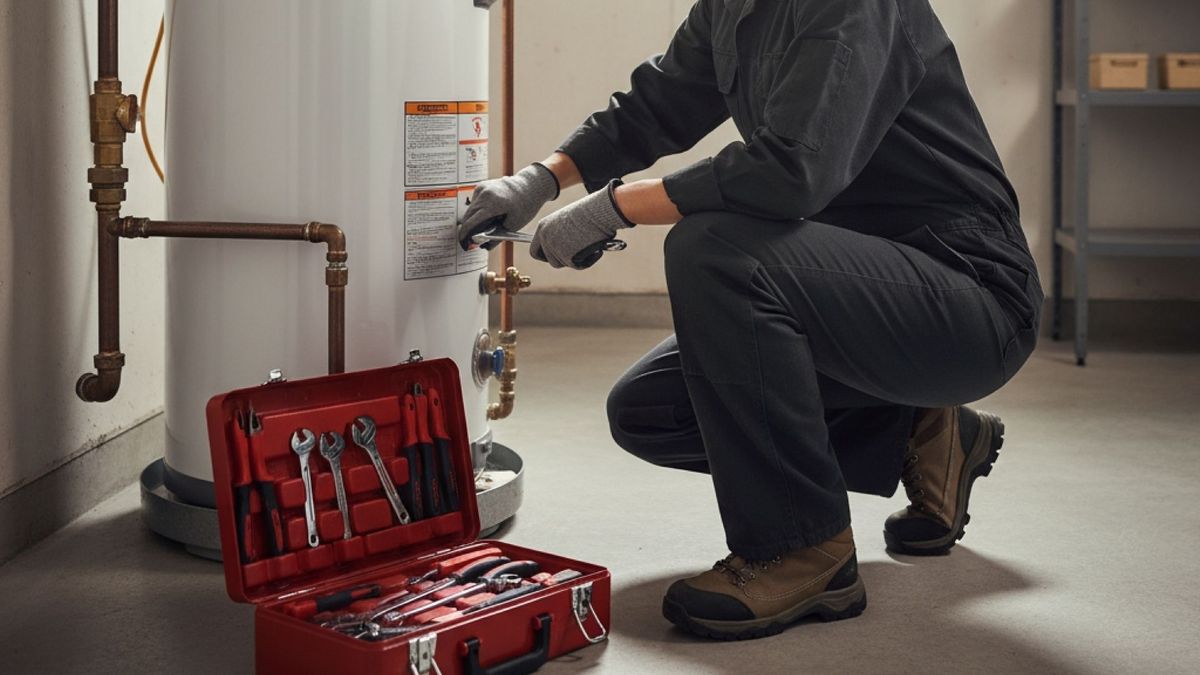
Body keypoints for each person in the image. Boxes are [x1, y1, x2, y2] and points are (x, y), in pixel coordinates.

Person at [459, 0, 1042, 641]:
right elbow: (657, 104)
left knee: (715, 248)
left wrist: (615, 207)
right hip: (865, 305)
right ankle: (917, 429)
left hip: (966, 299)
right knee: (653, 410)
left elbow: (793, 171)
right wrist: (542, 178)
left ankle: (803, 549)